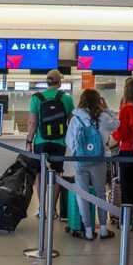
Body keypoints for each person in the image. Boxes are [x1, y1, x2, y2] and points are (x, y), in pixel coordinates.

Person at [65, 89, 119, 240]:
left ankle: (88, 231)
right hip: (99, 160)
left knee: (83, 195)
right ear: (98, 101)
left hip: (80, 161)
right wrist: (107, 108)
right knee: (100, 193)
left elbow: (68, 141)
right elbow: (117, 124)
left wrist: (79, 150)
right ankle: (102, 229)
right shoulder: (103, 117)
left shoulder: (76, 117)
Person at [27, 69, 74, 213]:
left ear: (46, 81)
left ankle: (42, 208)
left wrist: (29, 140)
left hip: (41, 142)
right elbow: (72, 122)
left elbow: (33, 123)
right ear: (59, 82)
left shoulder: (36, 98)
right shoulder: (66, 98)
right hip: (59, 143)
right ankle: (52, 209)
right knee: (57, 175)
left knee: (41, 175)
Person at [112, 78, 133, 229]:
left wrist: (113, 138)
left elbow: (122, 132)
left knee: (127, 186)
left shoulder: (126, 108)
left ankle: (126, 221)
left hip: (127, 151)